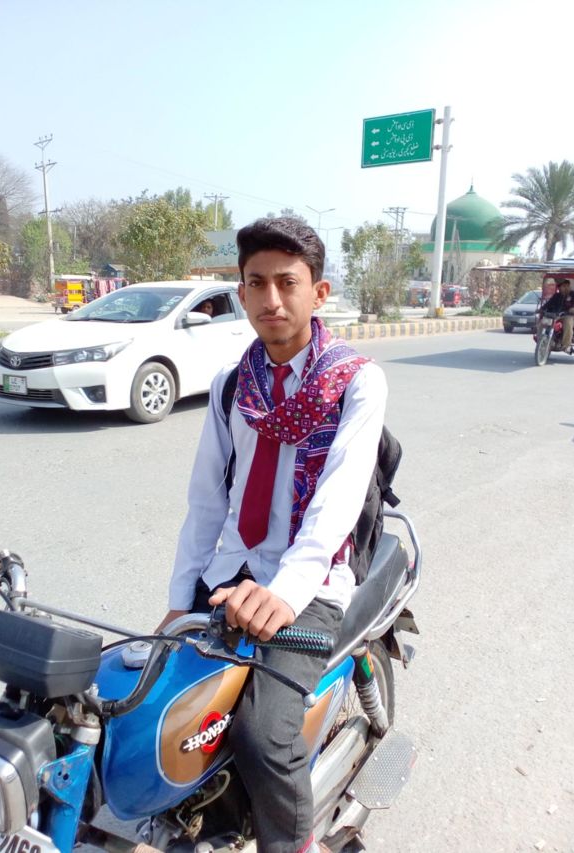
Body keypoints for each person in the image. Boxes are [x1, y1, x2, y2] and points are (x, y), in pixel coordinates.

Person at [157, 217, 387, 853]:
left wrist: (284, 592)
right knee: (163, 710)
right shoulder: (234, 384)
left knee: (263, 735)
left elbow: (337, 502)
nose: (272, 299)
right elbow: (206, 501)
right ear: (241, 292)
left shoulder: (356, 381)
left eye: (288, 282)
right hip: (231, 571)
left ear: (319, 292)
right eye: (256, 283)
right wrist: (179, 599)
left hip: (310, 580)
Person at [541, 279, 574, 350]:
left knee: (568, 323)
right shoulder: (557, 295)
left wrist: (573, 308)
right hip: (556, 315)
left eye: (562, 286)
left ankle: (566, 345)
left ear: (567, 286)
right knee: (543, 322)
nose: (560, 288)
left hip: (568, 315)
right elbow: (549, 303)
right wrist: (541, 309)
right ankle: (541, 339)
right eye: (559, 287)